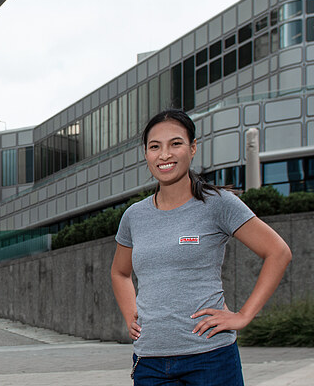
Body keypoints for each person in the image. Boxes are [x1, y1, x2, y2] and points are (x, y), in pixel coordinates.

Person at [110, 109, 292, 385]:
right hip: (150, 361)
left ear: (192, 148)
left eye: (176, 144)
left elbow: (278, 252)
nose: (165, 155)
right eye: (155, 146)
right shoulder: (134, 216)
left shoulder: (218, 203)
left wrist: (243, 316)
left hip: (210, 358)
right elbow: (120, 273)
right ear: (146, 154)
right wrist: (131, 315)